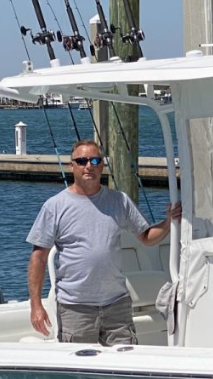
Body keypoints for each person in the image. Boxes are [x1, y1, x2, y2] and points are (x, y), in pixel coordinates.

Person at [27, 140, 180, 345]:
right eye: (81, 161)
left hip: (117, 305)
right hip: (75, 307)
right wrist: (36, 305)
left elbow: (146, 237)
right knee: (79, 364)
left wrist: (169, 222)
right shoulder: (54, 206)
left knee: (125, 362)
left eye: (94, 160)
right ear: (71, 166)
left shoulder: (120, 201)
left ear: (102, 165)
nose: (88, 166)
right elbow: (38, 258)